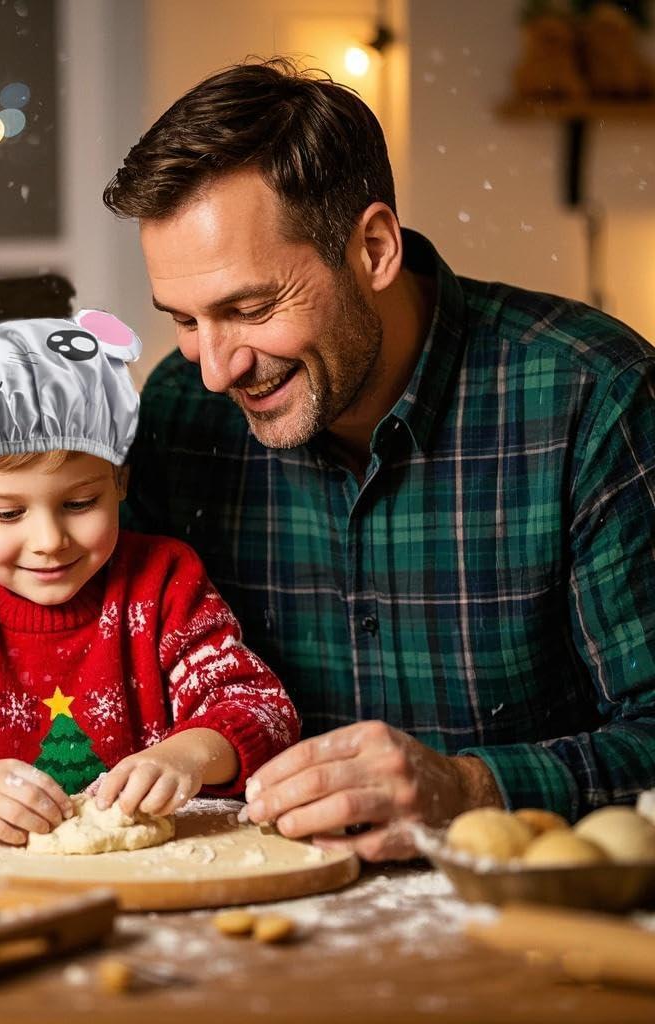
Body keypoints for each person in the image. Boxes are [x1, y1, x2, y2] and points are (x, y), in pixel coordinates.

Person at [103, 58, 655, 861]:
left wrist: (470, 790)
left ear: (373, 247)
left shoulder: (592, 398)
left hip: (522, 933)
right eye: (185, 320)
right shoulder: (184, 415)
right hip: (236, 921)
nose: (216, 368)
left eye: (249, 309)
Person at [0, 311, 298, 844]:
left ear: (120, 480)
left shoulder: (163, 585)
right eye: (7, 514)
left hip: (146, 884)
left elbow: (262, 712)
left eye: (80, 502)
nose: (49, 540)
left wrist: (185, 758)